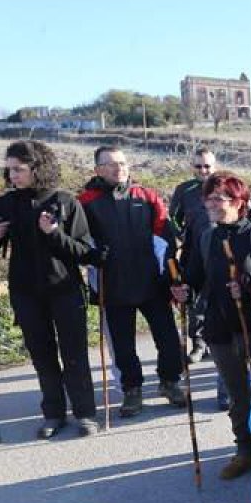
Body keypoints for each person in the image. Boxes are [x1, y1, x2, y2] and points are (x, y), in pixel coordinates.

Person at [0, 141, 99, 439]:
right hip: (25, 291)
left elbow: (85, 252)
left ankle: (85, 413)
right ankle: (53, 414)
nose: (13, 175)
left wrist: (54, 234)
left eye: (19, 169)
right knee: (41, 355)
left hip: (65, 289)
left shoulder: (66, 201)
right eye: (10, 170)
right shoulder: (6, 203)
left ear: (37, 167)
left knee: (74, 354)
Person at [172, 172, 251, 480]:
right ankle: (245, 449)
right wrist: (185, 292)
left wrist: (248, 288)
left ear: (240, 202)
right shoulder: (207, 237)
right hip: (219, 327)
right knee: (236, 395)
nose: (214, 203)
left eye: (222, 198)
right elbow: (196, 278)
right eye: (210, 197)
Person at [78, 146, 186, 417]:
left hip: (152, 283)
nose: (119, 169)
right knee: (123, 345)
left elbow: (166, 240)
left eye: (123, 163)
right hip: (112, 286)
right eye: (111, 164)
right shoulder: (86, 202)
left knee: (168, 339)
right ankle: (131, 389)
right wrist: (92, 257)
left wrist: (173, 278)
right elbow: (78, 243)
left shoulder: (147, 196)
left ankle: (170, 381)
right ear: (98, 169)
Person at [169, 147, 217, 363]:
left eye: (207, 166)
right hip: (193, 252)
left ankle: (216, 340)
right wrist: (182, 234)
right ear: (192, 167)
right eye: (198, 166)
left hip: (220, 252)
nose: (203, 170)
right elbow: (172, 218)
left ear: (214, 166)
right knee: (193, 299)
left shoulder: (224, 185)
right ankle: (198, 343)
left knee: (219, 297)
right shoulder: (184, 190)